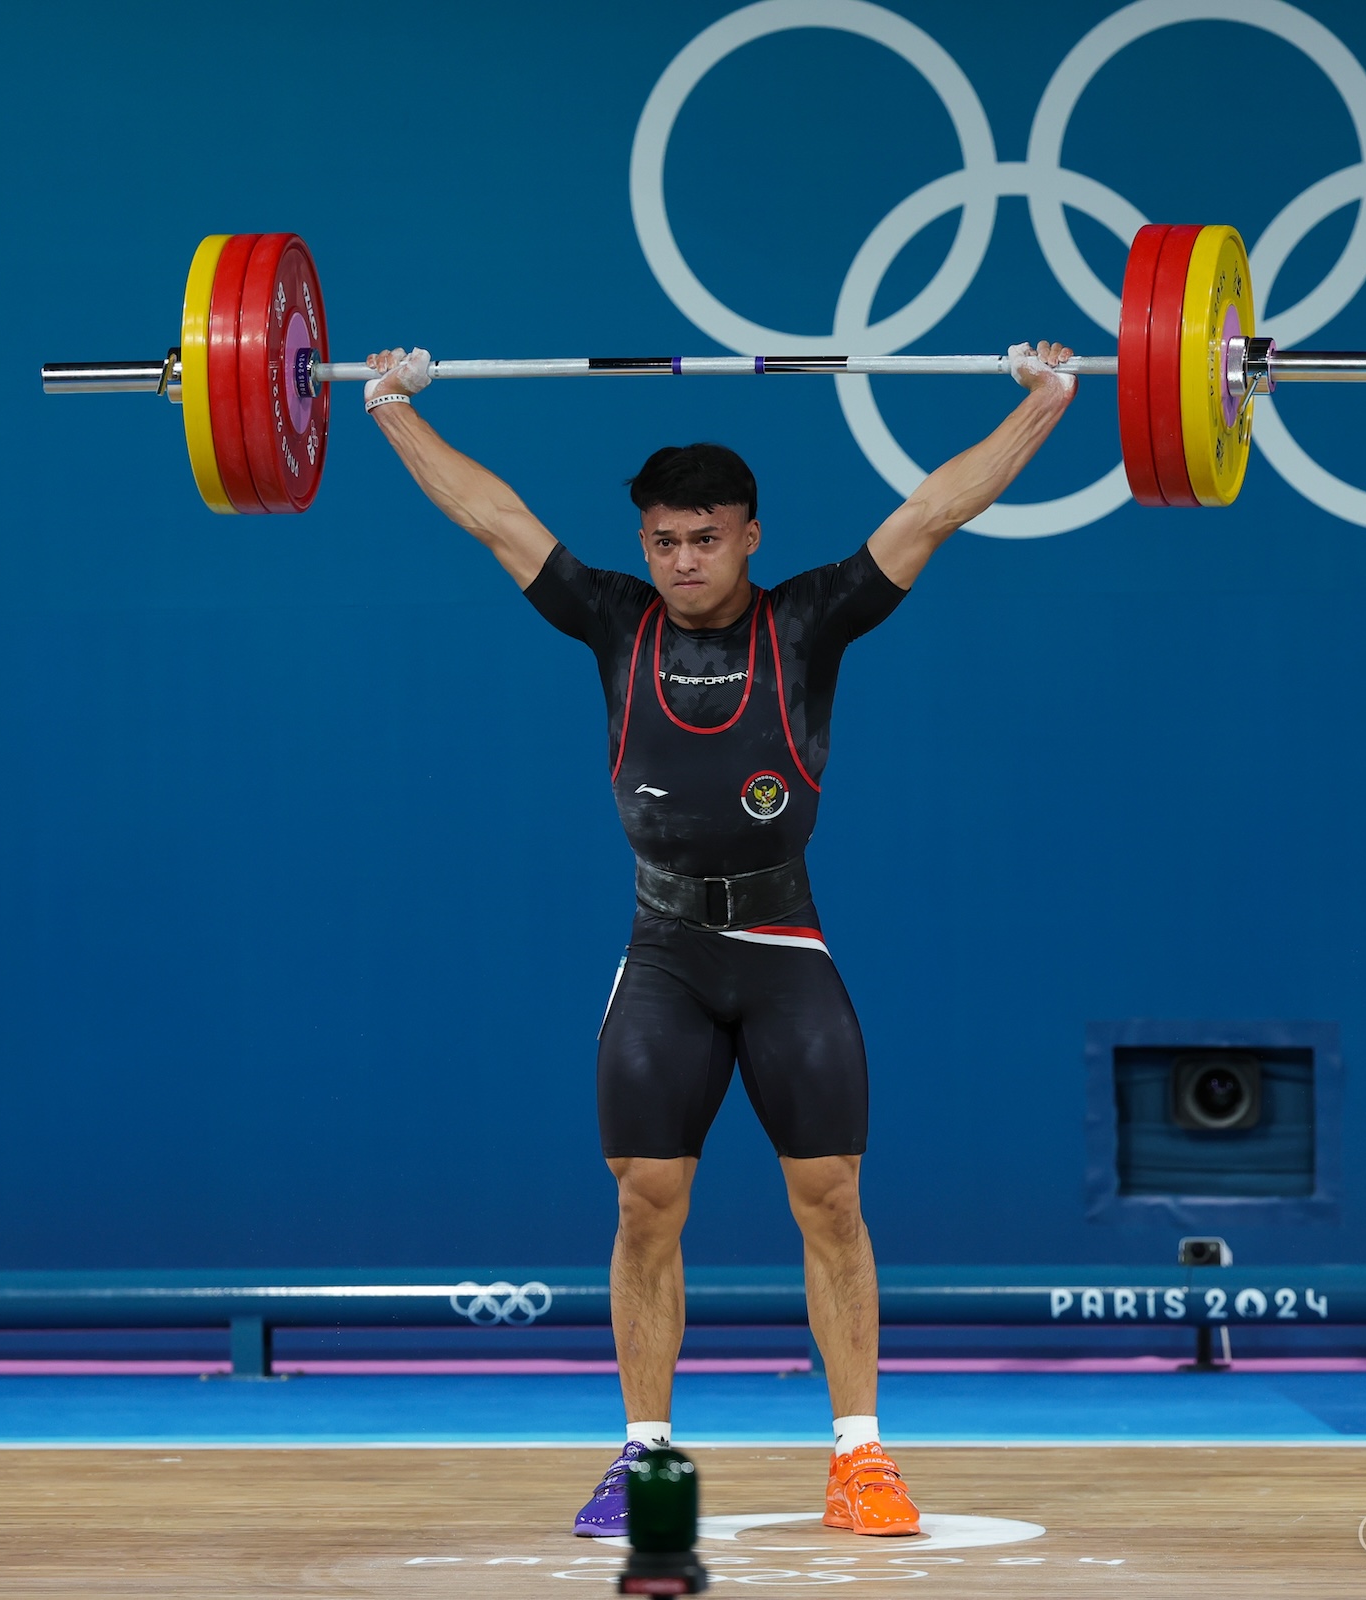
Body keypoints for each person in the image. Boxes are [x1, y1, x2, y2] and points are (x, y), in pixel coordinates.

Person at [360, 341, 1080, 1537]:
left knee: (831, 1197)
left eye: (705, 536)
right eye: (663, 539)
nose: (682, 560)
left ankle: (860, 1456)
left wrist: (1045, 401)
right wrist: (387, 406)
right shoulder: (610, 620)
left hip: (783, 946)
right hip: (664, 953)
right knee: (647, 1201)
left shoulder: (813, 620)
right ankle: (645, 1458)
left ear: (749, 534)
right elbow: (493, 515)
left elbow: (940, 506)